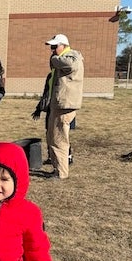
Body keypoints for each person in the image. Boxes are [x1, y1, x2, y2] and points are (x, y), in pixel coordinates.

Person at [44, 34, 84, 179]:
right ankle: (57, 169)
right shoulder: (63, 58)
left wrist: (54, 59)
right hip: (58, 103)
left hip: (65, 104)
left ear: (64, 45)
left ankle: (61, 172)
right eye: (51, 47)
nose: (52, 50)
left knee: (59, 139)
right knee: (53, 137)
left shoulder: (72, 56)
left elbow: (71, 65)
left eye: (54, 47)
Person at [31, 66, 74, 165]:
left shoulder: (64, 75)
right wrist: (39, 108)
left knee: (62, 133)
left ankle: (68, 156)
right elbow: (46, 93)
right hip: (51, 108)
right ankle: (51, 156)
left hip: (61, 107)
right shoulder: (50, 76)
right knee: (49, 133)